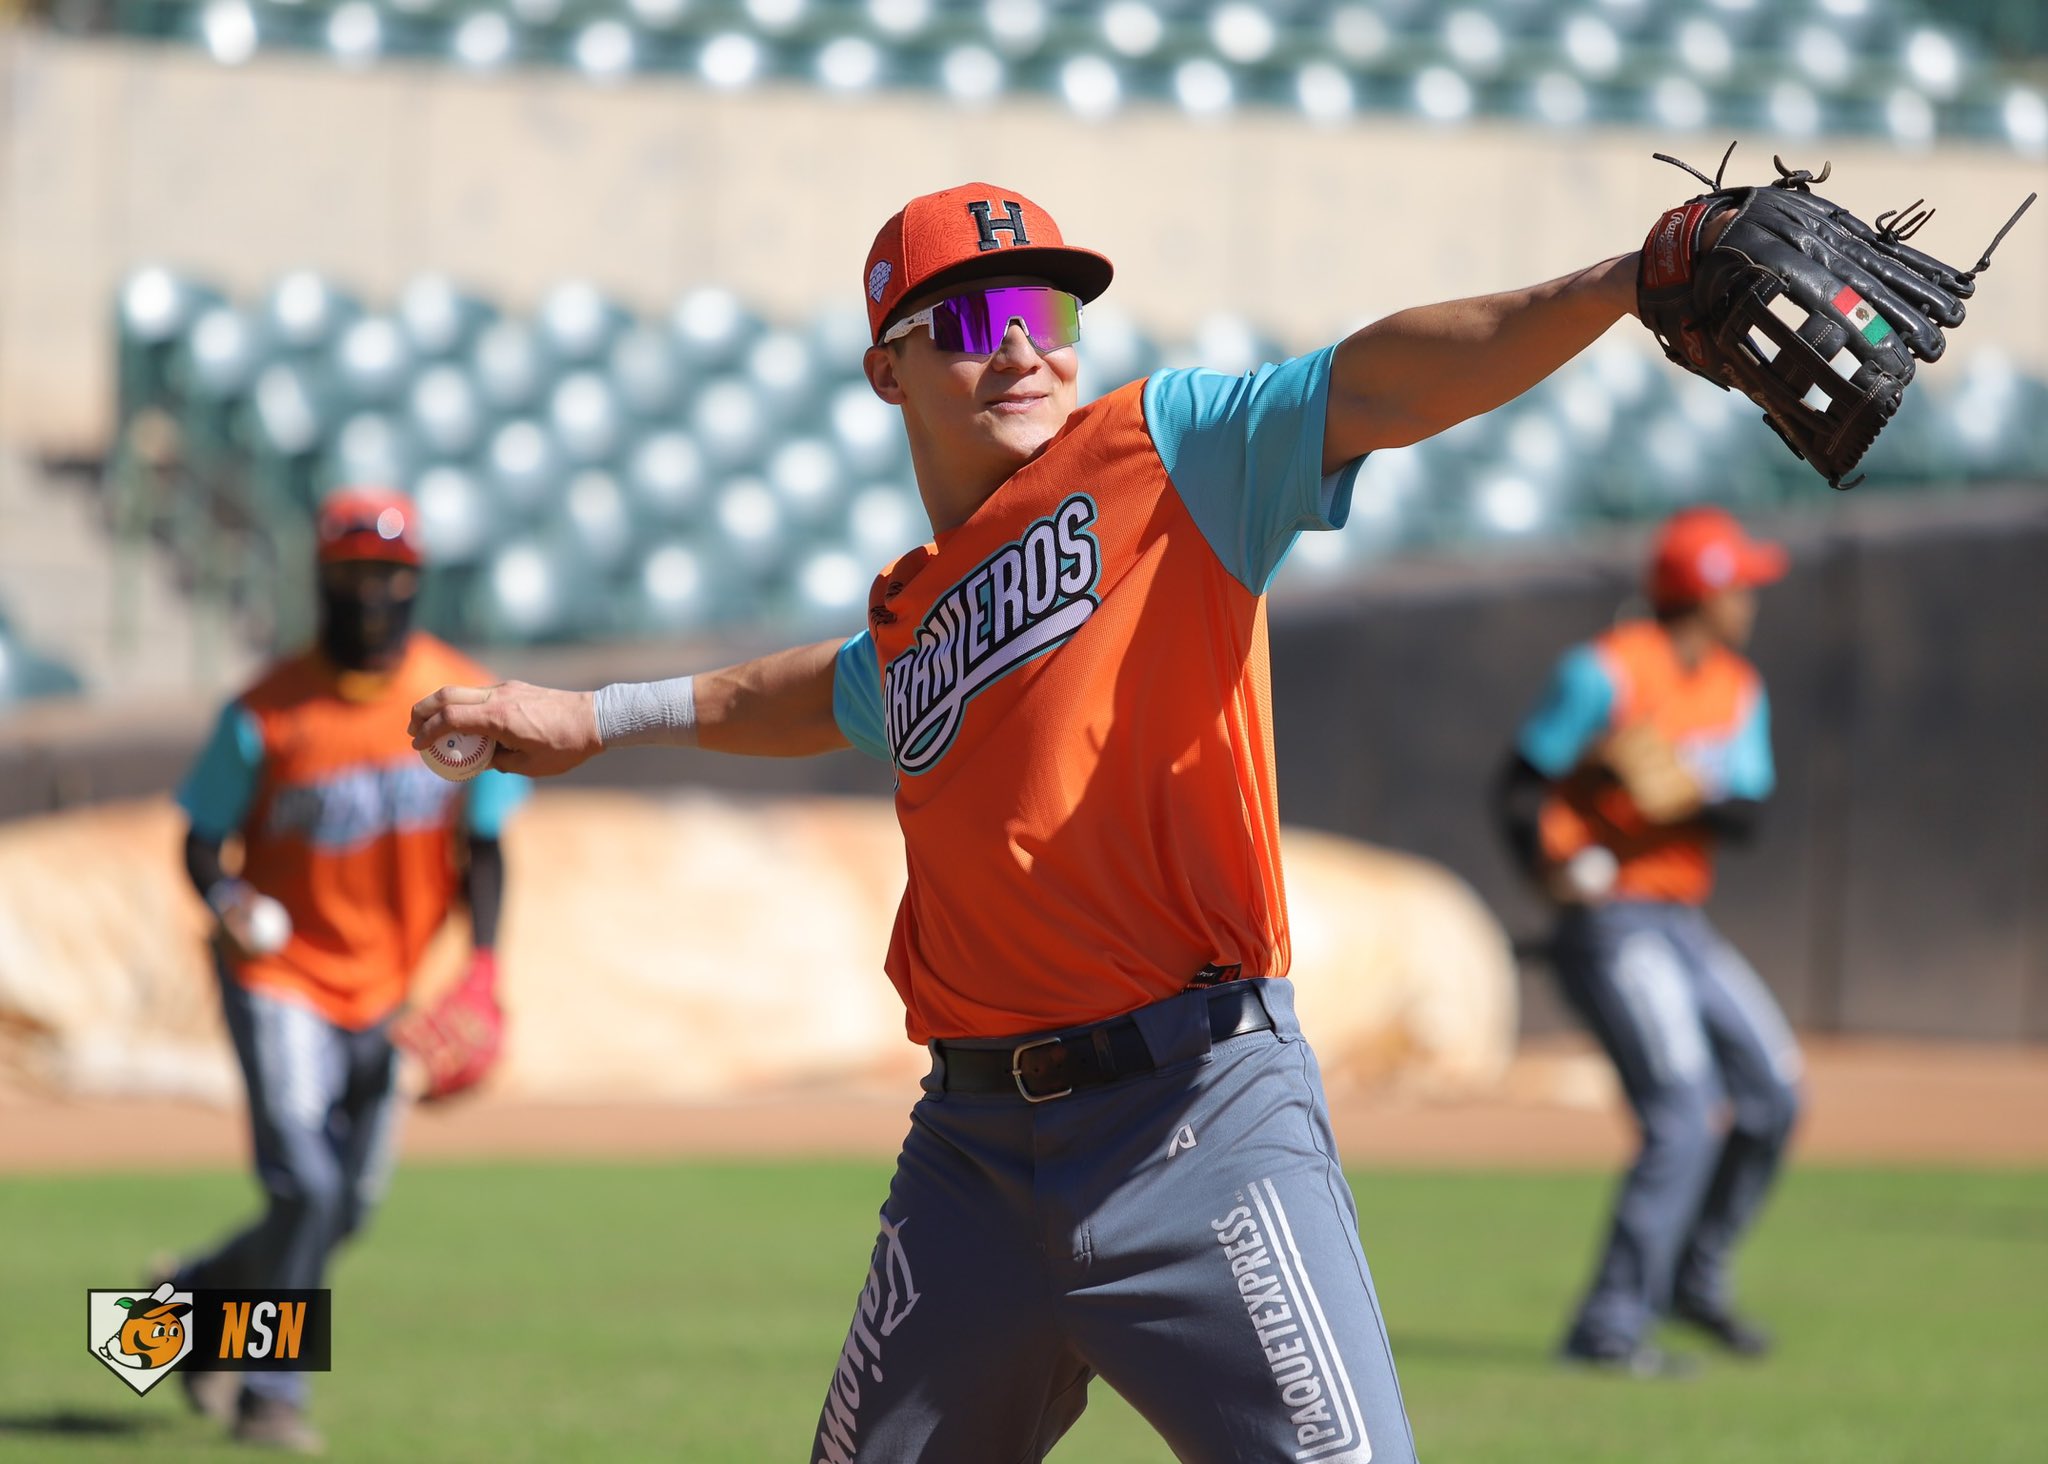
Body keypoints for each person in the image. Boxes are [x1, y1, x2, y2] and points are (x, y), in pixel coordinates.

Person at [411, 182, 1649, 1461]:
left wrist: (1622, 280)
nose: (1019, 345)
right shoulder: (913, 611)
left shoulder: (1171, 454)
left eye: (1047, 310)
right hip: (971, 1157)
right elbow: (786, 693)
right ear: (886, 371)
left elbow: (1382, 386)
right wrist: (598, 715)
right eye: (969, 319)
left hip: (1197, 1112)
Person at [170, 487, 529, 1451]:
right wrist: (229, 902)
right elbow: (201, 843)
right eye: (353, 575)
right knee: (309, 1190)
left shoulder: (459, 701)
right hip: (279, 979)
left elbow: (486, 847)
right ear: (324, 581)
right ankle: (271, 1397)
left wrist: (484, 969)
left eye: (390, 576)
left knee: (347, 1205)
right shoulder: (265, 711)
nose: (371, 595)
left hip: (388, 993)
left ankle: (171, 1315)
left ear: (415, 585)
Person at [1492, 505, 1804, 1378]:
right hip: (1610, 919)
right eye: (1739, 581)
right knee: (1683, 1113)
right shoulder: (1604, 673)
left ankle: (1693, 1283)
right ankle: (1608, 1330)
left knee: (1775, 1096)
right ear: (1703, 592)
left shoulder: (1737, 685)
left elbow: (1748, 814)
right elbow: (1519, 789)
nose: (1750, 596)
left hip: (1681, 919)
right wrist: (1554, 872)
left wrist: (1677, 794)